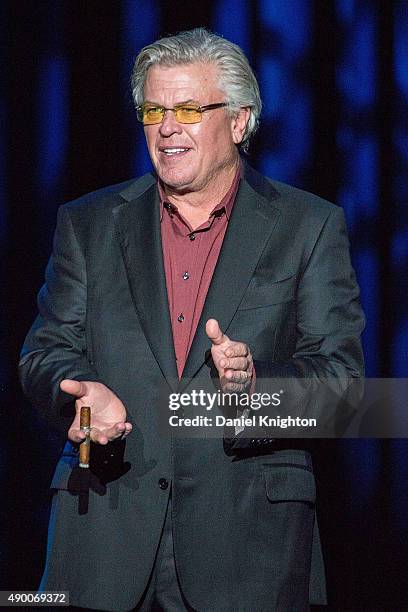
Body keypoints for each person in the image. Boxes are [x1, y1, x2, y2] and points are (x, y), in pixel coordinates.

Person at [19, 27, 364, 611]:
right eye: (154, 109)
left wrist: (257, 389)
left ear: (239, 121)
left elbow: (348, 394)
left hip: (248, 554)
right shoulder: (89, 223)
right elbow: (42, 355)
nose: (167, 126)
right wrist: (79, 399)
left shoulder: (309, 225)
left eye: (187, 108)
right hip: (105, 538)